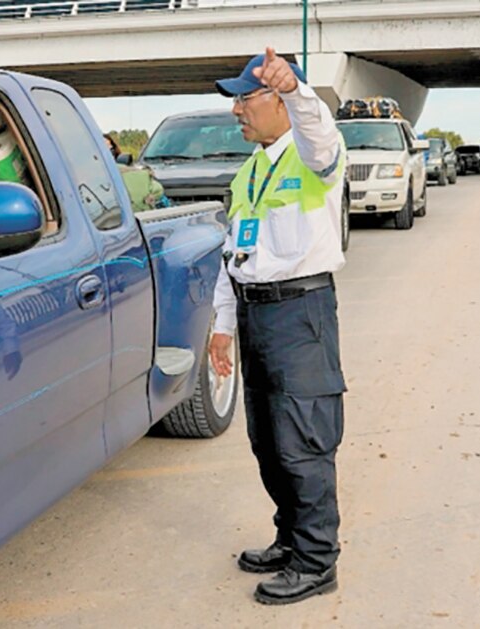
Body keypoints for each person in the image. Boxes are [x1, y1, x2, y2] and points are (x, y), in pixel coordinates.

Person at [209, 48, 347, 605]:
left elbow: (318, 130)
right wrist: (222, 324)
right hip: (254, 311)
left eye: (246, 98)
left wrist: (297, 90)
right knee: (267, 439)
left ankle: (317, 561)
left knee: (303, 441)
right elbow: (232, 254)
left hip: (300, 315)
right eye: (236, 100)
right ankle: (291, 539)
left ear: (280, 102)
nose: (237, 111)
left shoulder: (315, 156)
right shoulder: (250, 171)